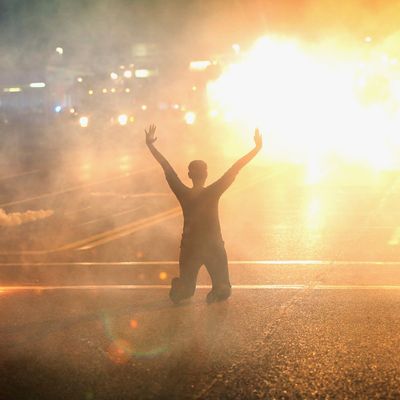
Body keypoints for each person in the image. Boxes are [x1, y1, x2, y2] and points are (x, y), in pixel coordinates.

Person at [145, 124, 262, 303]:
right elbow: (236, 167)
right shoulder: (213, 192)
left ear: (189, 175)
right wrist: (256, 148)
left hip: (190, 248)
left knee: (185, 293)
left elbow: (166, 167)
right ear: (206, 174)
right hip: (213, 247)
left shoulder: (183, 193)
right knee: (223, 290)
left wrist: (151, 146)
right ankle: (206, 288)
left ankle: (182, 285)